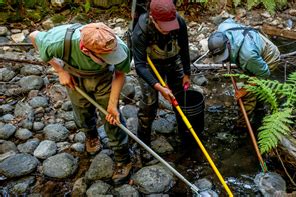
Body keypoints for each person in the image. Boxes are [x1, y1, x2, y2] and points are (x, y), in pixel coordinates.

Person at [29, 23, 132, 184]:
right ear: (85, 50)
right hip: (75, 78)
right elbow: (33, 36)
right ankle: (91, 137)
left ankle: (123, 158)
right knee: (82, 113)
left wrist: (113, 104)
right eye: (106, 57)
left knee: (112, 119)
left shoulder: (118, 46)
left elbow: (120, 73)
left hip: (105, 79)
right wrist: (60, 70)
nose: (113, 56)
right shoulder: (58, 41)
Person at [131, 0, 191, 150]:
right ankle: (144, 145)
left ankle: (185, 136)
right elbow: (139, 66)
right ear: (152, 18)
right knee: (149, 104)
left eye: (170, 26)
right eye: (163, 27)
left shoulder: (179, 22)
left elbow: (184, 48)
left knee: (180, 96)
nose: (167, 30)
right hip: (149, 65)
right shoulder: (141, 30)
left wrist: (187, 73)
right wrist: (158, 87)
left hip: (172, 59)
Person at [207, 18, 280, 129]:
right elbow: (230, 20)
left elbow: (264, 74)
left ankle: (242, 125)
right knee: (253, 84)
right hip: (254, 46)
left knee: (248, 95)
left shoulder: (248, 56)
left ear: (228, 44)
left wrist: (244, 90)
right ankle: (259, 105)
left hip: (269, 57)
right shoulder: (223, 28)